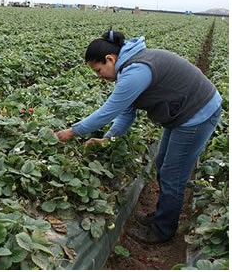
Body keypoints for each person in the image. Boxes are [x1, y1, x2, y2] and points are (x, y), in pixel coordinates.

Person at [56, 30, 222, 244]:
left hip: (198, 114)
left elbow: (109, 111)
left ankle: (163, 231)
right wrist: (108, 139)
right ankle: (163, 214)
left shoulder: (136, 71)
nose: (100, 77)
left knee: (174, 174)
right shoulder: (130, 68)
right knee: (163, 163)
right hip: (183, 113)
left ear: (110, 59)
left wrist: (72, 131)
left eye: (99, 70)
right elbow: (126, 113)